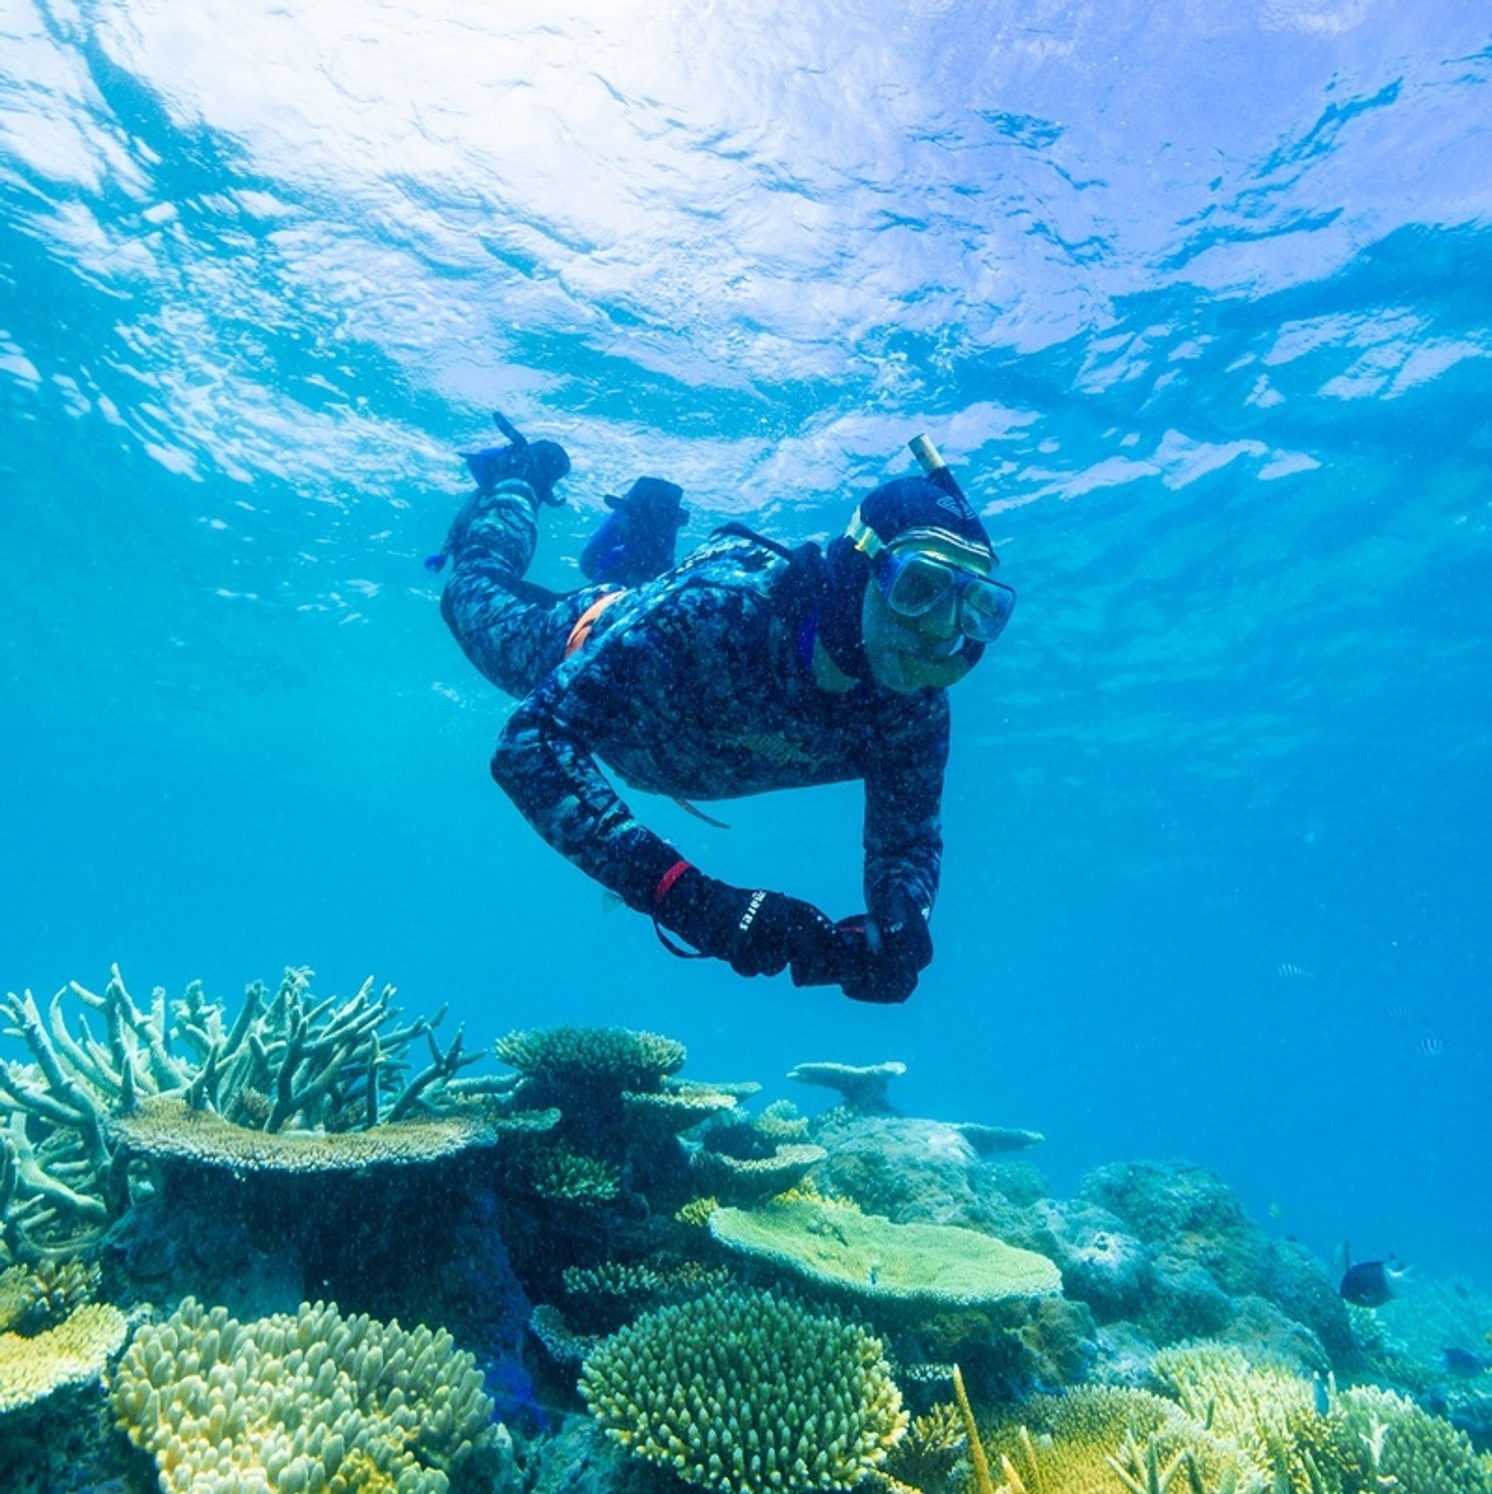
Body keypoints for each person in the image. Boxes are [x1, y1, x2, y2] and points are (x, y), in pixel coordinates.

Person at [430, 417, 1016, 1002]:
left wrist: (900, 925)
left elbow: (905, 845)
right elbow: (528, 743)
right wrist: (688, 898)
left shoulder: (911, 712)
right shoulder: (717, 615)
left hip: (659, 679)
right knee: (469, 595)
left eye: (975, 607)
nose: (939, 636)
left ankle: (646, 526)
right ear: (860, 570)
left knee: (652, 615)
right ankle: (518, 478)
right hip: (580, 644)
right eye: (919, 590)